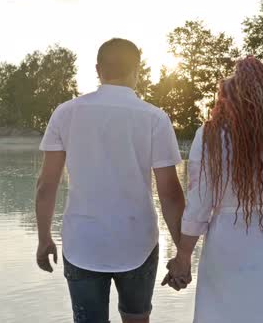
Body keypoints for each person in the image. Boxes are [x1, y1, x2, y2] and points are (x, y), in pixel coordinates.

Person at [35, 38, 186, 323]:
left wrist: (44, 238)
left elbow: (46, 185)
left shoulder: (66, 113)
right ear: (137, 71)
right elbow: (170, 194)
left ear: (97, 69)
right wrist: (182, 252)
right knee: (137, 319)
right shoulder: (155, 118)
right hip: (137, 242)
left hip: (83, 244)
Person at [163, 56, 263, 323]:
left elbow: (200, 205)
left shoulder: (211, 135)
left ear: (228, 95)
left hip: (228, 246)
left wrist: (183, 256)